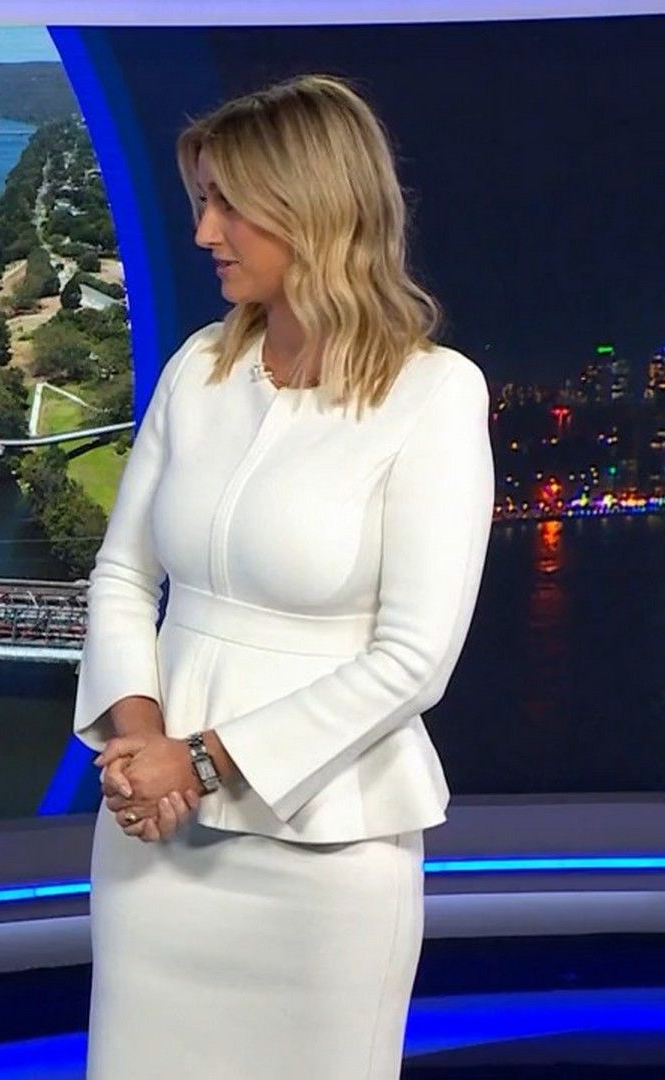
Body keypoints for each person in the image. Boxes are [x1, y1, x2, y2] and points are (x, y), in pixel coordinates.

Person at [70, 74, 496, 1079]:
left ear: (312, 208)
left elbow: (414, 659)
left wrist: (200, 761)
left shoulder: (435, 395)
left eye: (228, 204)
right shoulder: (197, 370)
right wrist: (142, 747)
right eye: (200, 202)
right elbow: (123, 574)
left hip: (326, 859)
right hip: (153, 840)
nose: (204, 232)